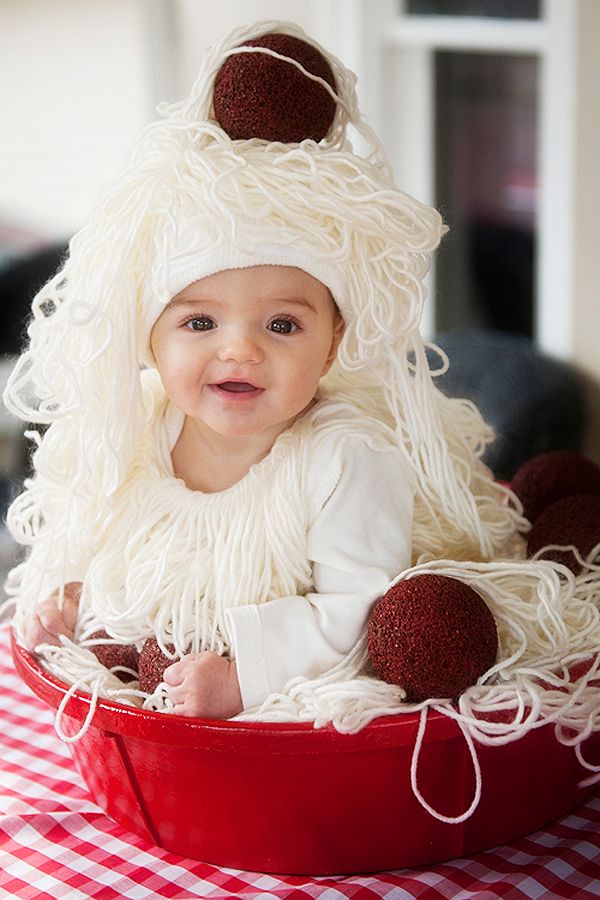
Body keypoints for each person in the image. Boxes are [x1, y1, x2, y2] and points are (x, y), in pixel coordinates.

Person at [4, 21, 530, 730]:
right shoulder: (141, 430)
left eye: (282, 325)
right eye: (199, 324)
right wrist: (78, 604)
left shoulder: (346, 459)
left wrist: (246, 677)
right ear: (150, 339)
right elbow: (118, 546)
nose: (240, 351)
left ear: (334, 341)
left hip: (283, 719)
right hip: (166, 695)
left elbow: (359, 611)